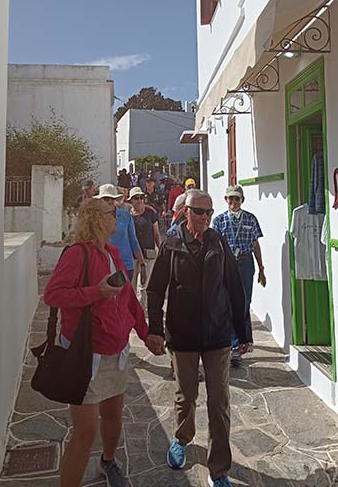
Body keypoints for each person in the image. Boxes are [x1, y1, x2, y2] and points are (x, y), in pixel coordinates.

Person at [43, 198, 154, 487]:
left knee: (113, 416)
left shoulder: (112, 252)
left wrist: (146, 334)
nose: (117, 216)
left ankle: (108, 461)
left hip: (116, 352)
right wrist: (97, 292)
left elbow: (128, 299)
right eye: (111, 213)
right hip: (85, 356)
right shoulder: (77, 254)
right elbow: (53, 295)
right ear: (96, 218)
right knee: (85, 431)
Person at [145, 190, 249, 487]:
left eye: (209, 212)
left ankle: (219, 470)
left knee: (219, 402)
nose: (205, 217)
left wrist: (243, 332)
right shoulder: (171, 244)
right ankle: (182, 439)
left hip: (217, 334)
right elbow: (155, 289)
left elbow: (234, 286)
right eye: (199, 212)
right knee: (186, 396)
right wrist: (156, 329)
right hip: (183, 334)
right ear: (185, 212)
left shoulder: (218, 241)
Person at [211, 185, 266, 367]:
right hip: (227, 264)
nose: (234, 202)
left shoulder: (251, 218)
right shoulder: (219, 221)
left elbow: (255, 244)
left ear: (242, 200)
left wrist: (261, 268)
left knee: (245, 301)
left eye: (237, 199)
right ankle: (234, 344)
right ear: (226, 200)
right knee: (229, 302)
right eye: (231, 199)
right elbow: (215, 246)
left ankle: (244, 339)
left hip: (245, 262)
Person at [95, 184, 145, 284]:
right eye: (106, 199)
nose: (109, 201)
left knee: (125, 293)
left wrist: (142, 264)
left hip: (125, 265)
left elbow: (133, 241)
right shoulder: (95, 218)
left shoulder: (125, 216)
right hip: (103, 265)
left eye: (112, 198)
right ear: (100, 200)